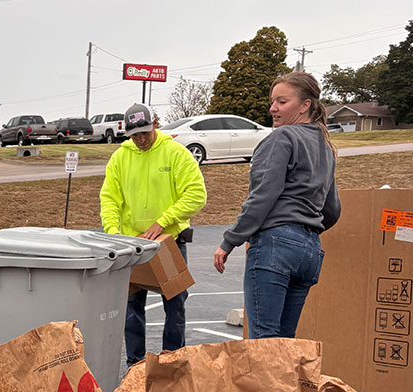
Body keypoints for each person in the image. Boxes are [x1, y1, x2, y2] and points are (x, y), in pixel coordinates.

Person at [213, 72, 340, 339]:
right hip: (310, 251)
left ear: (305, 105)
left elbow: (262, 198)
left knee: (264, 344)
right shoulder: (325, 147)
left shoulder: (282, 138)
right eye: (273, 102)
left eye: (282, 102)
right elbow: (332, 211)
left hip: (276, 246)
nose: (273, 108)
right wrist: (303, 231)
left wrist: (229, 241)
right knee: (284, 345)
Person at [100, 103, 207, 367]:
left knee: (175, 303)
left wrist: (163, 222)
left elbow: (196, 195)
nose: (140, 140)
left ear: (155, 125)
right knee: (131, 306)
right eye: (135, 135)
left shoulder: (175, 154)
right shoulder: (120, 158)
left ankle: (172, 363)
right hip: (131, 246)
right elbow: (109, 200)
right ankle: (135, 366)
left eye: (145, 133)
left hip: (168, 243)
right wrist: (114, 234)